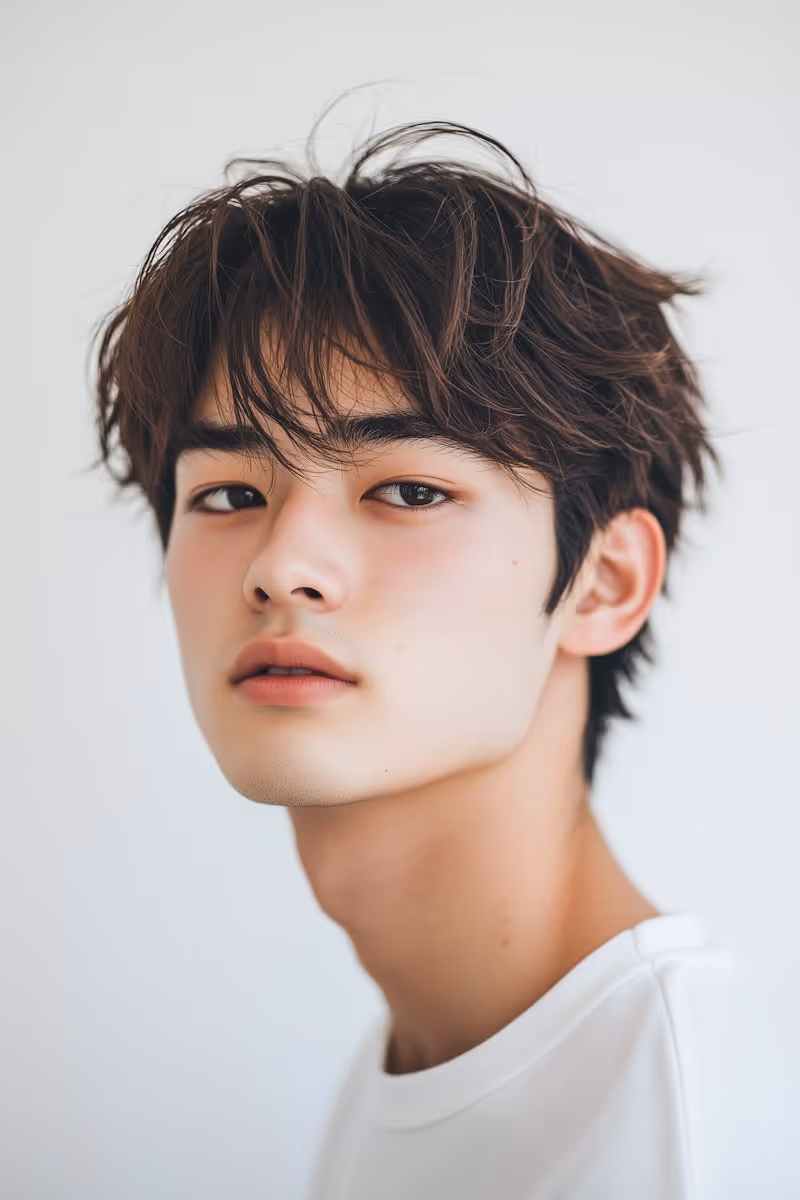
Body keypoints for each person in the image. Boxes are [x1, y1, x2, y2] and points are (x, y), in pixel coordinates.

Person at [88, 117, 776, 1198]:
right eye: (227, 494)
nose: (283, 567)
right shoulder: (416, 1066)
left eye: (406, 491)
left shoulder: (695, 1129)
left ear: (600, 584)